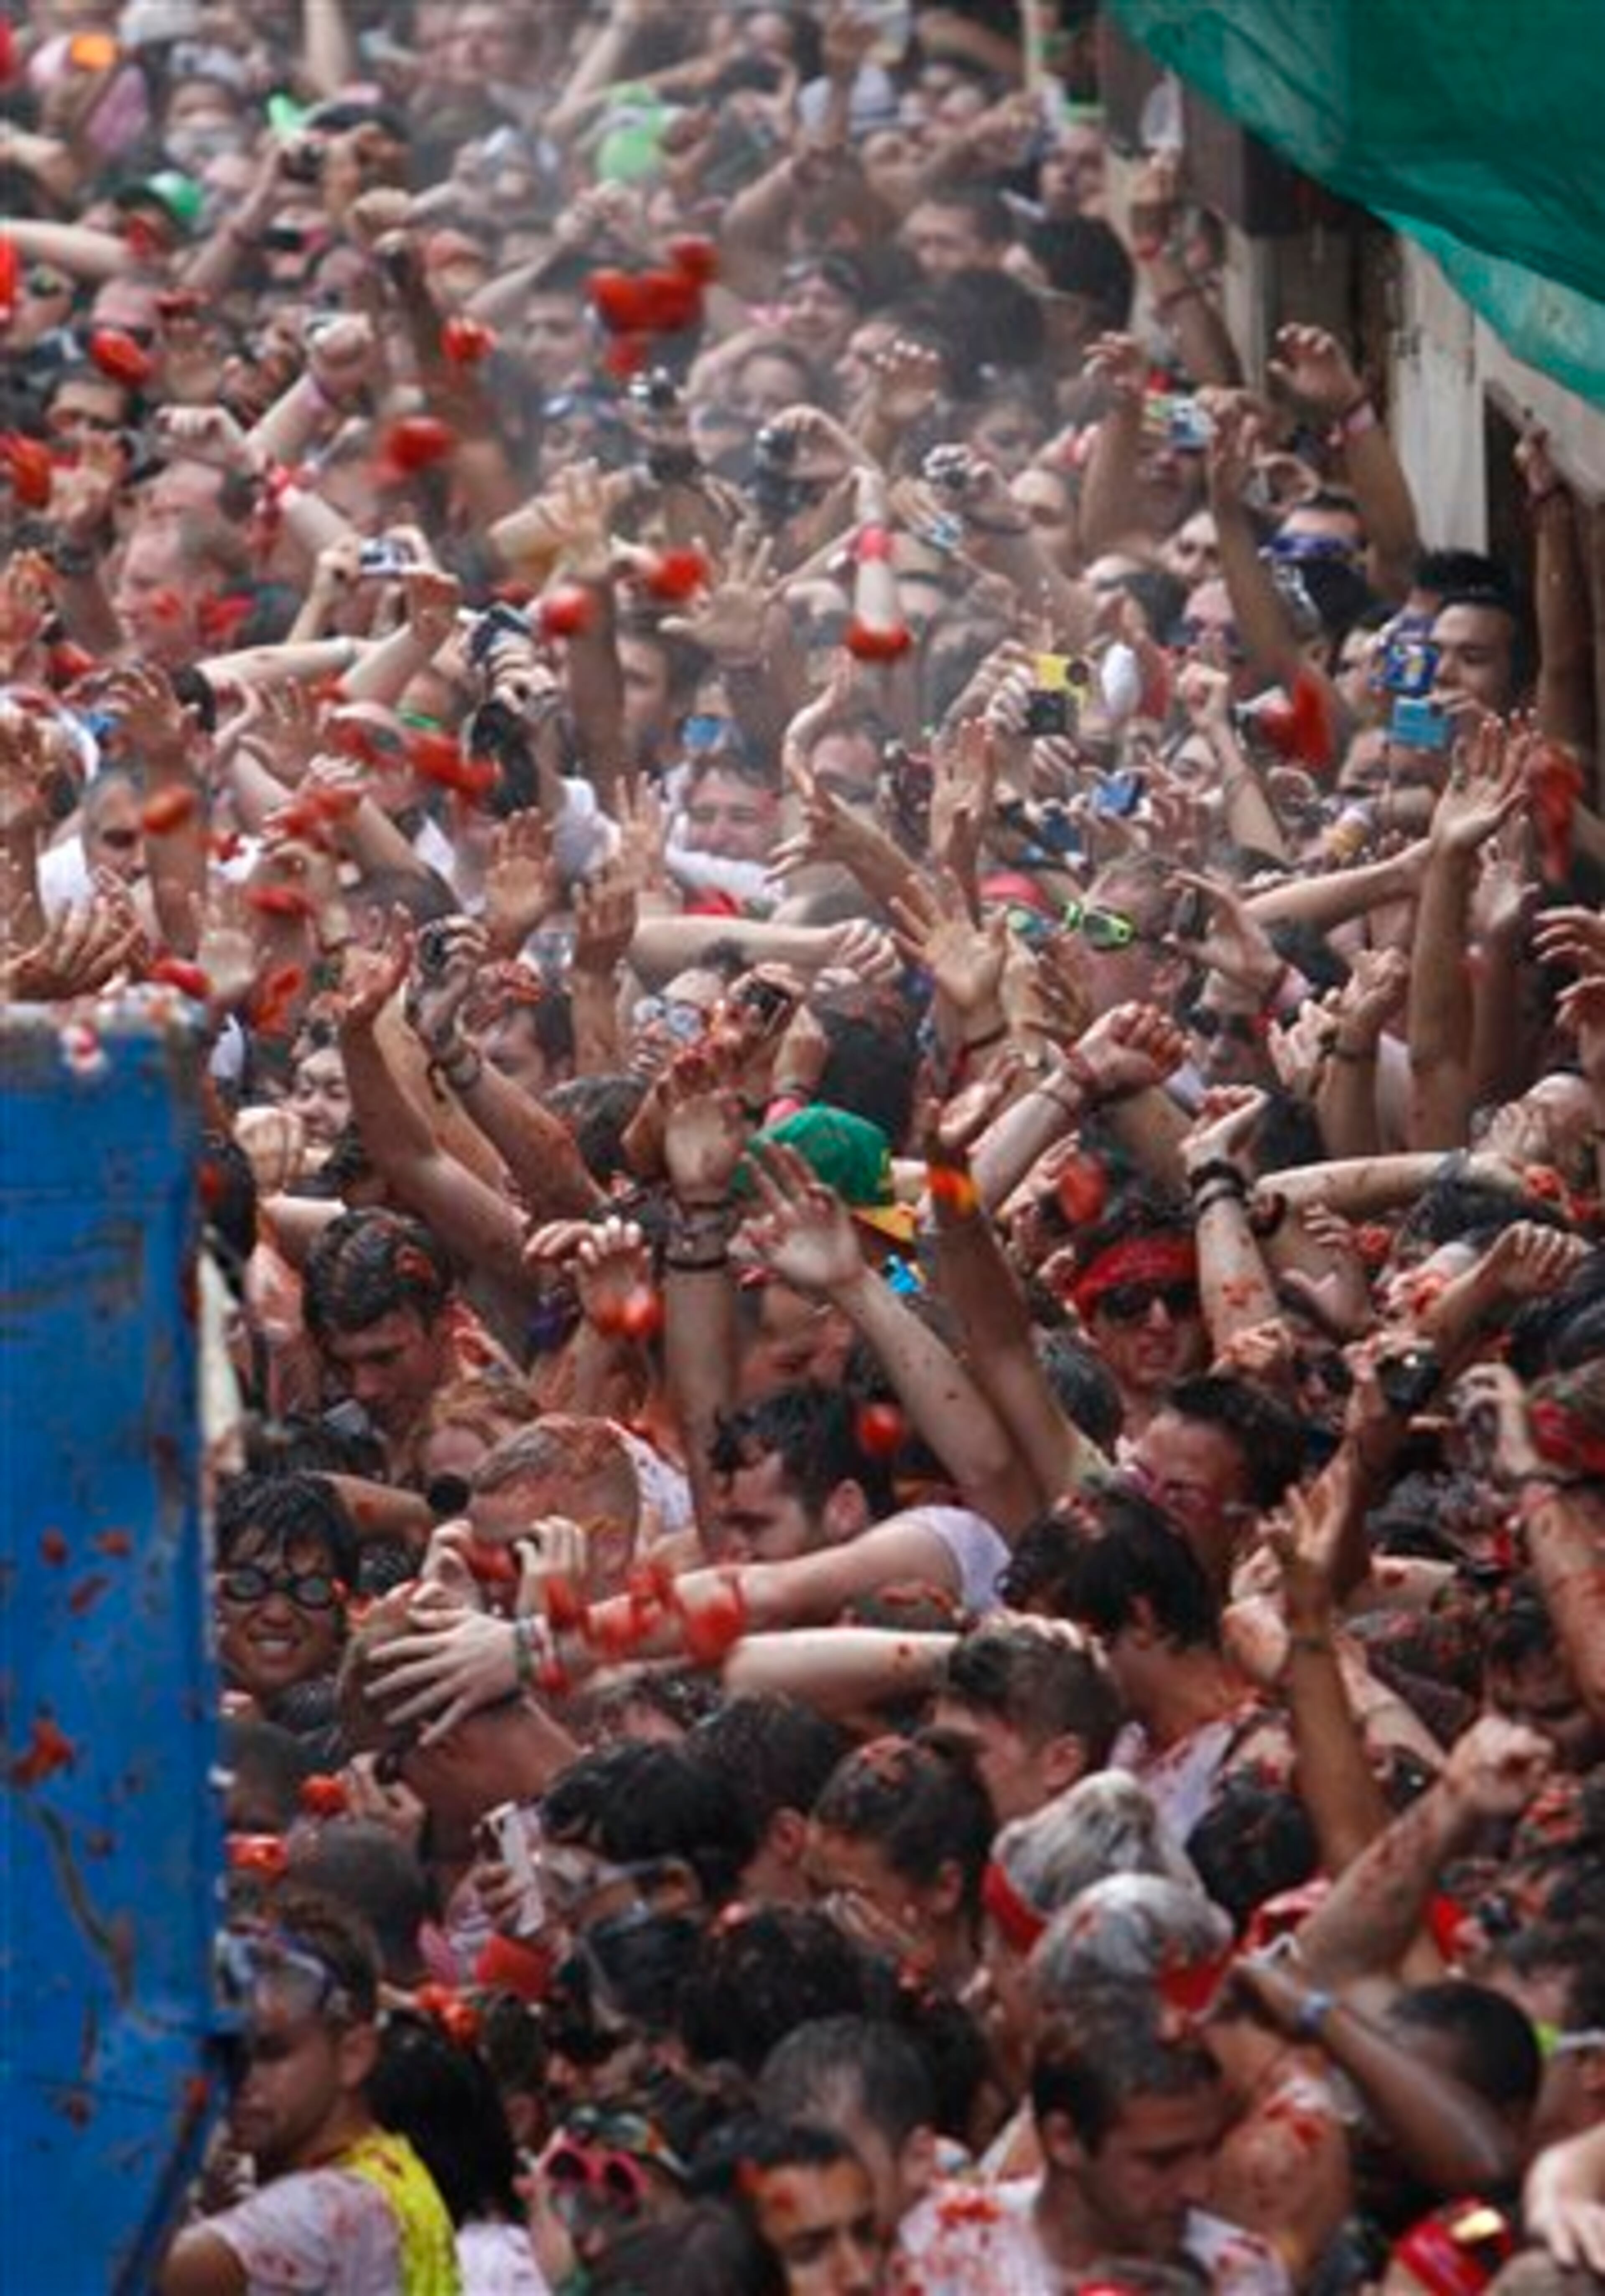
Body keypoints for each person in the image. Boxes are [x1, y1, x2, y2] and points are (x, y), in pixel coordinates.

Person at [158, 1892, 460, 2295]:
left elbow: (102, 2273)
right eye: (225, 2054)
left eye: (271, 2053)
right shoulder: (394, 2169)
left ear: (354, 2055)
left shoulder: (323, 2209)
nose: (241, 2080)